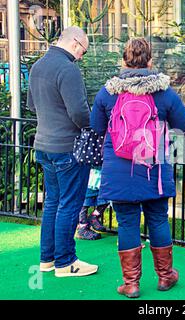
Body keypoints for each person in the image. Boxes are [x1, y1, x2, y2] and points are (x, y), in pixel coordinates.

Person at [90, 38, 185, 298]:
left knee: (127, 223)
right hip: (153, 168)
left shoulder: (108, 92)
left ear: (123, 60)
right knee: (158, 219)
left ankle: (132, 283)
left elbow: (97, 127)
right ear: (150, 61)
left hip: (119, 169)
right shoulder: (164, 91)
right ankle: (166, 277)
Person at [27, 26, 98, 277]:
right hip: (68, 147)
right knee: (69, 204)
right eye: (84, 52)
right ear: (76, 43)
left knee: (53, 203)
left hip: (44, 145)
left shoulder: (37, 66)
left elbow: (32, 106)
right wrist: (94, 126)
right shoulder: (68, 69)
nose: (81, 56)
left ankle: (47, 260)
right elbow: (79, 113)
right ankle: (66, 262)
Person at [76, 166, 109, 240]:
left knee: (108, 196)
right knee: (85, 200)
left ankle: (94, 216)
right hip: (90, 169)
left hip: (103, 169)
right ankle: (82, 227)